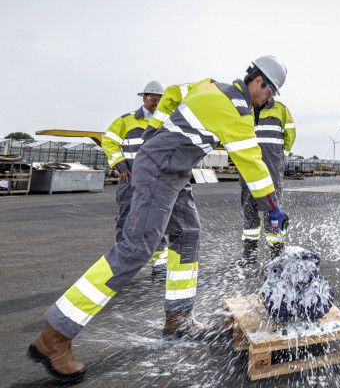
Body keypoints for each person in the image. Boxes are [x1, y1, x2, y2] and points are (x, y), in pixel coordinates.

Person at [27, 56, 289, 382]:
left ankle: (178, 319)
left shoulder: (211, 85)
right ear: (260, 82)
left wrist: (154, 128)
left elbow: (175, 92)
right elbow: (252, 163)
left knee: (187, 233)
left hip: (171, 171)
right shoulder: (236, 111)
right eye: (271, 93)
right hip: (161, 171)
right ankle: (54, 337)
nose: (270, 100)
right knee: (136, 248)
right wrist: (273, 208)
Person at [101, 81, 169, 274]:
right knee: (126, 218)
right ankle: (121, 262)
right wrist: (119, 164)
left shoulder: (166, 121)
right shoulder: (126, 121)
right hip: (129, 178)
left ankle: (159, 262)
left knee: (157, 218)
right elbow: (109, 142)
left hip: (156, 179)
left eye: (159, 101)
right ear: (144, 98)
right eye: (153, 100)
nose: (156, 104)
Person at [241, 98, 296, 263]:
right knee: (249, 212)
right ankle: (249, 256)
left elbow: (290, 136)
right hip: (248, 170)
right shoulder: (244, 109)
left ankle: (276, 258)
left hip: (271, 170)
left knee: (272, 214)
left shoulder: (281, 109)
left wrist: (279, 158)